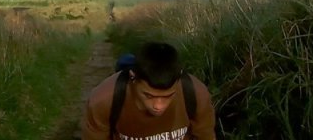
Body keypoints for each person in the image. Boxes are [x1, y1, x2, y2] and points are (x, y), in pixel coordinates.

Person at [80, 41, 216, 140]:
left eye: (168, 96)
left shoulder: (196, 94)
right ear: (133, 77)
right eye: (149, 96)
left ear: (178, 79)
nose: (158, 106)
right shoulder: (103, 100)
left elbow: (206, 135)